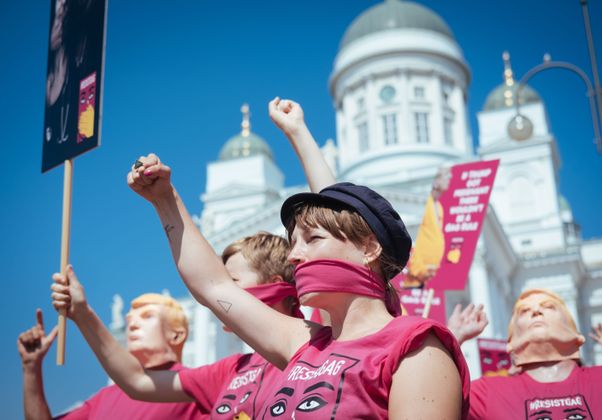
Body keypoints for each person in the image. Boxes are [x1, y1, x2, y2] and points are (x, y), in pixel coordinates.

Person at [125, 97, 470, 419]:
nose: (294, 255)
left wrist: (300, 135)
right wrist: (165, 200)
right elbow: (212, 285)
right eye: (293, 242)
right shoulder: (302, 343)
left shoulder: (417, 345)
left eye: (312, 239)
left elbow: (338, 209)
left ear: (369, 248)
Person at [51, 233, 302, 419]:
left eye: (232, 282)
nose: (218, 294)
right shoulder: (229, 371)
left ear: (274, 285)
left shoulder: (317, 347)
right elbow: (137, 381)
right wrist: (82, 314)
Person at [20, 279, 206, 420]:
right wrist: (31, 369)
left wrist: (82, 313)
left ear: (177, 335)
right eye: (129, 320)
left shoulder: (200, 387)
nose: (132, 325)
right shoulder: (105, 397)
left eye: (147, 317)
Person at [469, 288, 602, 419]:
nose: (536, 311)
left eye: (548, 306)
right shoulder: (488, 393)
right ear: (511, 342)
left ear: (575, 333)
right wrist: (451, 339)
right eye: (524, 311)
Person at [405, 166, 452, 288]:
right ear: (436, 182)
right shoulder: (423, 204)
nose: (450, 180)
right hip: (416, 279)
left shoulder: (439, 207)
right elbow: (410, 242)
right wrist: (421, 270)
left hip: (431, 276)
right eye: (447, 177)